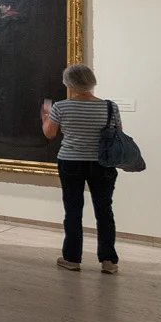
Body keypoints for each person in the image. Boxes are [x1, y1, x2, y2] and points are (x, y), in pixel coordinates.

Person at [40, 64, 120, 274]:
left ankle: (72, 258)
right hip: (102, 163)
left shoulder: (61, 107)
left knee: (73, 210)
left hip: (71, 162)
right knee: (104, 210)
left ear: (69, 83)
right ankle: (108, 260)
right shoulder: (110, 107)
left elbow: (49, 133)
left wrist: (45, 117)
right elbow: (118, 133)